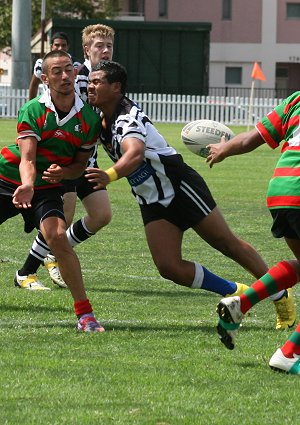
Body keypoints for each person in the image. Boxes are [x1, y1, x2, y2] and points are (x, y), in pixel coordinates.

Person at [84, 60, 295, 330]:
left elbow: (134, 153)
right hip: (151, 198)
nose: (90, 86)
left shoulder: (127, 118)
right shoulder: (96, 115)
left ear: (116, 88)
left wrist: (109, 175)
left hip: (179, 187)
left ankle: (280, 295)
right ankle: (234, 290)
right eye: (89, 82)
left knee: (226, 243)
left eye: (96, 82)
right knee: (168, 267)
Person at [8, 49, 105, 332]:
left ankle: (85, 315)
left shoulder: (88, 119)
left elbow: (79, 166)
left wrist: (65, 173)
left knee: (58, 237)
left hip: (47, 187)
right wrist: (26, 185)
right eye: (57, 72)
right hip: (11, 178)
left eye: (68, 70)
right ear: (45, 79)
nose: (65, 76)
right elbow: (27, 159)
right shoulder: (33, 110)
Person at [207, 91, 300, 373]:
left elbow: (252, 137)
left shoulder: (296, 99)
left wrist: (224, 149)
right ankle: (289, 353)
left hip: (282, 192)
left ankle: (242, 302)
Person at [17, 25, 115, 290]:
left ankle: (55, 253)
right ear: (86, 50)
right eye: (99, 46)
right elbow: (49, 105)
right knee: (63, 219)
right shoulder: (74, 74)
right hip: (64, 160)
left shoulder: (110, 76)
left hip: (87, 160)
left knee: (102, 215)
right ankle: (26, 272)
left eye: (109, 45)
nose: (105, 50)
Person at [29, 31, 81, 100]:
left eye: (63, 45)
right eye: (57, 45)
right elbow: (34, 84)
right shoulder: (41, 63)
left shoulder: (76, 64)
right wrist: (31, 106)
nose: (60, 48)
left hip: (71, 106)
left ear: (67, 47)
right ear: (51, 46)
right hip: (49, 105)